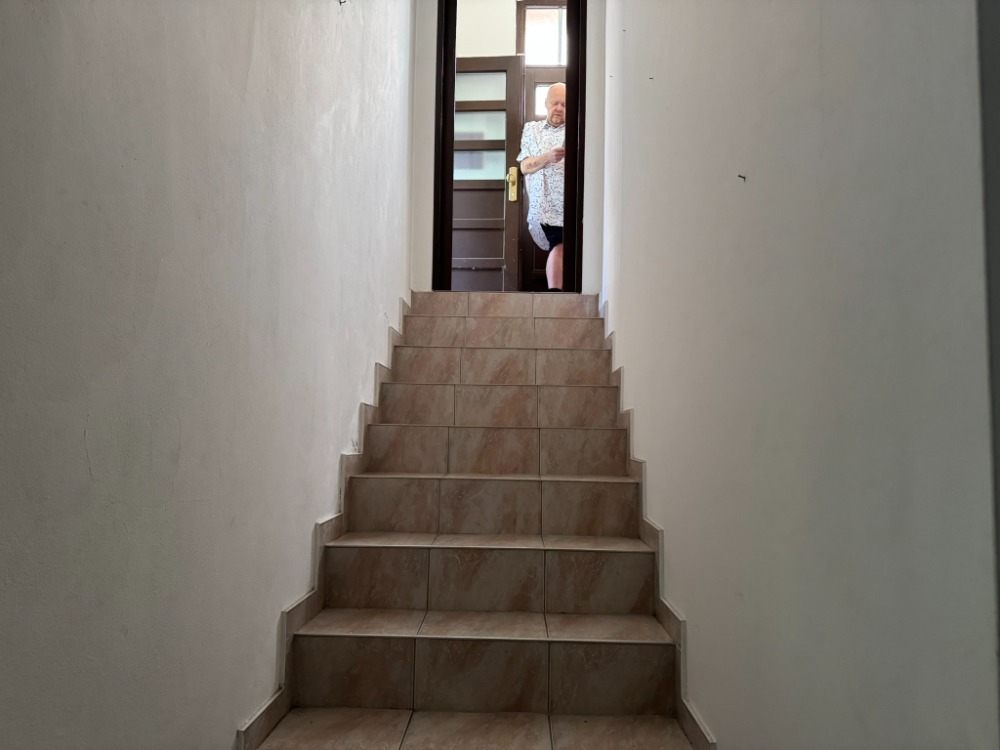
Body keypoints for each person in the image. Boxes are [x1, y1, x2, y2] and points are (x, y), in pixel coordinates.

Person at [517, 82, 566, 291]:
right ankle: (555, 294)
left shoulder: (578, 129)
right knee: (559, 244)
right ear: (546, 103)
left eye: (564, 104)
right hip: (545, 206)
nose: (559, 108)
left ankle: (558, 293)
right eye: (555, 103)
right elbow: (524, 167)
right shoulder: (532, 129)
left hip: (572, 205)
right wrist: (548, 157)